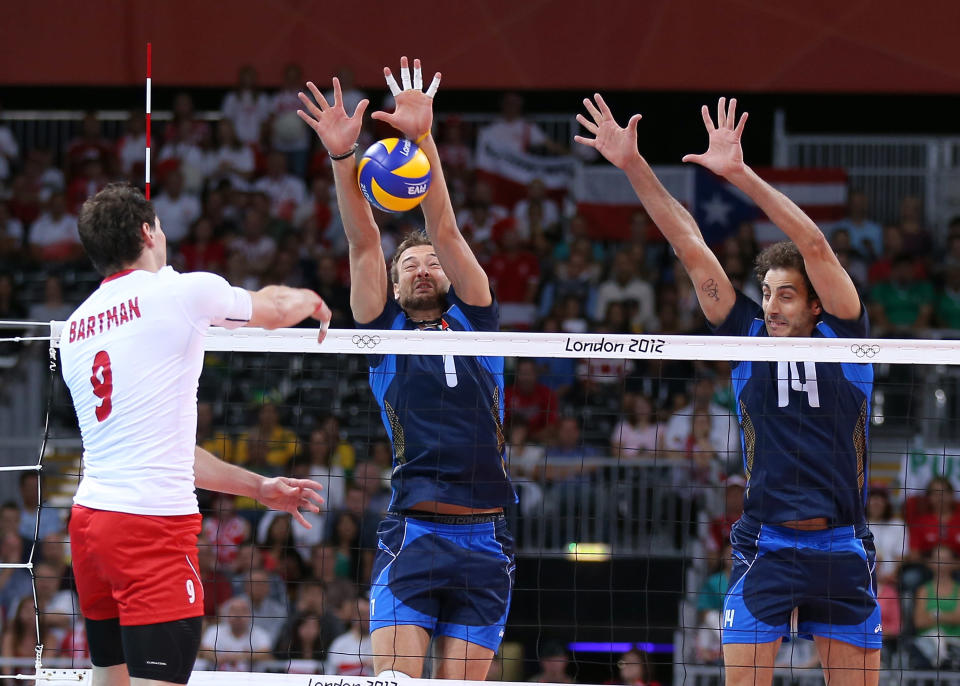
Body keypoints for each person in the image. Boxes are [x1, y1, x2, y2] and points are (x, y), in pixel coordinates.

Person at [577, 95, 880, 685]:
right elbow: (689, 245)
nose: (771, 306)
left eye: (786, 295)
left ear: (816, 302)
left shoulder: (846, 332)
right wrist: (634, 166)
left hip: (841, 545)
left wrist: (740, 174)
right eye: (765, 293)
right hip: (765, 543)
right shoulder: (747, 335)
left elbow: (815, 246)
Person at [58, 183, 331, 686]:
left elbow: (166, 448)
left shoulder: (74, 328)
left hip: (91, 526)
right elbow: (271, 308)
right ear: (147, 232)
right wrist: (311, 298)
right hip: (150, 527)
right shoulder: (179, 289)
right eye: (159, 225)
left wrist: (257, 488)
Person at [297, 57, 516, 680]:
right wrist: (344, 160)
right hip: (414, 534)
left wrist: (423, 139)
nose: (422, 267)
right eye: (409, 264)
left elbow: (442, 225)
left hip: (487, 538)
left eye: (430, 263)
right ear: (393, 287)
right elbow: (364, 241)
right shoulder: (383, 332)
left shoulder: (478, 320)